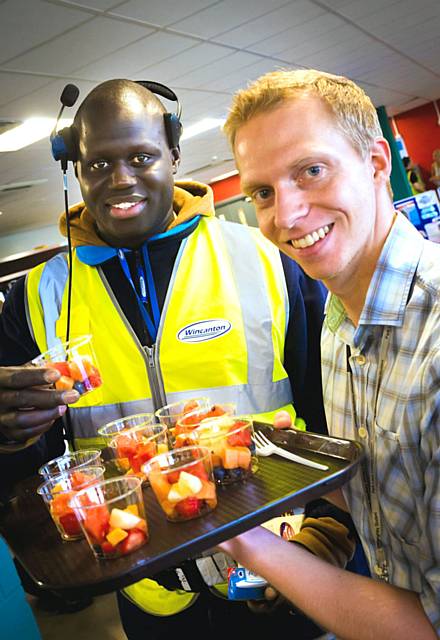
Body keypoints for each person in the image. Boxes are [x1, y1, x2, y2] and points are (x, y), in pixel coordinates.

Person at [0, 79, 333, 639]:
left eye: (141, 156)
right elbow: (35, 472)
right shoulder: (36, 298)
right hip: (148, 584)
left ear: (174, 154)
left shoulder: (265, 257)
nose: (121, 179)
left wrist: (327, 531)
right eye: (98, 163)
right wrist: (10, 437)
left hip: (283, 555)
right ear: (74, 170)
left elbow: (331, 409)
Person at [217, 68, 440, 639]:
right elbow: (388, 497)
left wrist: (241, 537)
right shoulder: (337, 322)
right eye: (262, 193)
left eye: (311, 171)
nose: (285, 216)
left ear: (376, 163)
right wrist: (279, 459)